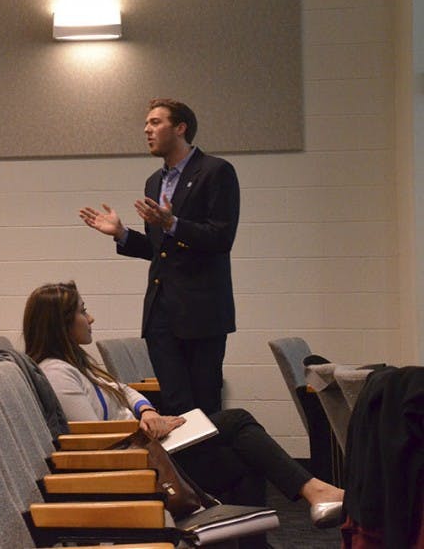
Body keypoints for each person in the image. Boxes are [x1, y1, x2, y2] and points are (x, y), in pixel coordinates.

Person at [22, 281, 344, 529]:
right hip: (135, 468)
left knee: (241, 458)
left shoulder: (78, 363)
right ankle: (313, 491)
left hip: (149, 448)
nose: (90, 317)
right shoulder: (57, 374)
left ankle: (299, 505)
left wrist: (147, 412)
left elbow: (126, 392)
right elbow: (98, 442)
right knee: (236, 422)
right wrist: (146, 429)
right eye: (82, 311)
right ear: (61, 324)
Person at [79, 98, 239, 416]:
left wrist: (173, 223)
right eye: (147, 123)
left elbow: (221, 238)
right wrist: (122, 234)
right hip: (161, 314)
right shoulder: (154, 181)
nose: (146, 129)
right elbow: (160, 250)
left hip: (201, 312)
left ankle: (209, 467)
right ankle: (182, 467)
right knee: (176, 407)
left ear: (180, 128)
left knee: (204, 405)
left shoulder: (215, 172)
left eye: (155, 122)